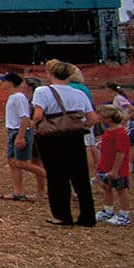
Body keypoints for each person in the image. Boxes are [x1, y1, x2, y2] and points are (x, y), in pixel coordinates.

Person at [32, 60, 97, 226]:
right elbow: (92, 118)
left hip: (52, 137)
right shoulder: (79, 93)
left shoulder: (43, 91)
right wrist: (78, 127)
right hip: (74, 136)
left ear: (50, 74)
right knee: (80, 177)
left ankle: (62, 215)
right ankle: (88, 217)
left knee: (57, 176)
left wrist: (34, 126)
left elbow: (38, 114)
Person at [0, 73, 44, 201]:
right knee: (13, 162)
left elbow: (24, 118)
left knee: (21, 163)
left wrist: (21, 136)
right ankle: (17, 191)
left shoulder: (18, 97)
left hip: (18, 131)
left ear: (11, 82)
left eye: (4, 81)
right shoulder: (14, 97)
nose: (1, 83)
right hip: (13, 131)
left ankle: (53, 178)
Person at [95, 105, 132, 226]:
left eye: (101, 115)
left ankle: (125, 215)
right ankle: (108, 210)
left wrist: (115, 170)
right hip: (105, 167)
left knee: (121, 190)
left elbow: (120, 153)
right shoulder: (110, 131)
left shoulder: (120, 133)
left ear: (108, 118)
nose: (98, 117)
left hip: (118, 170)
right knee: (106, 188)